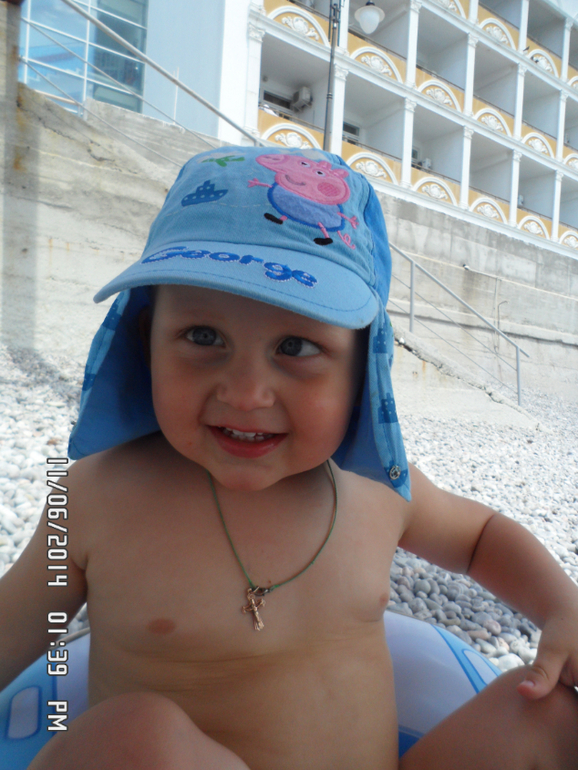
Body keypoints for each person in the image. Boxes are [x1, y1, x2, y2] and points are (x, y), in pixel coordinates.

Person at [1, 145, 577, 770]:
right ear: (146, 342)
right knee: (132, 735)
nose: (246, 393)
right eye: (203, 337)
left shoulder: (375, 488)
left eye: (296, 347)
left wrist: (561, 606)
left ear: (364, 369)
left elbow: (480, 536)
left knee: (547, 713)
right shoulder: (95, 497)